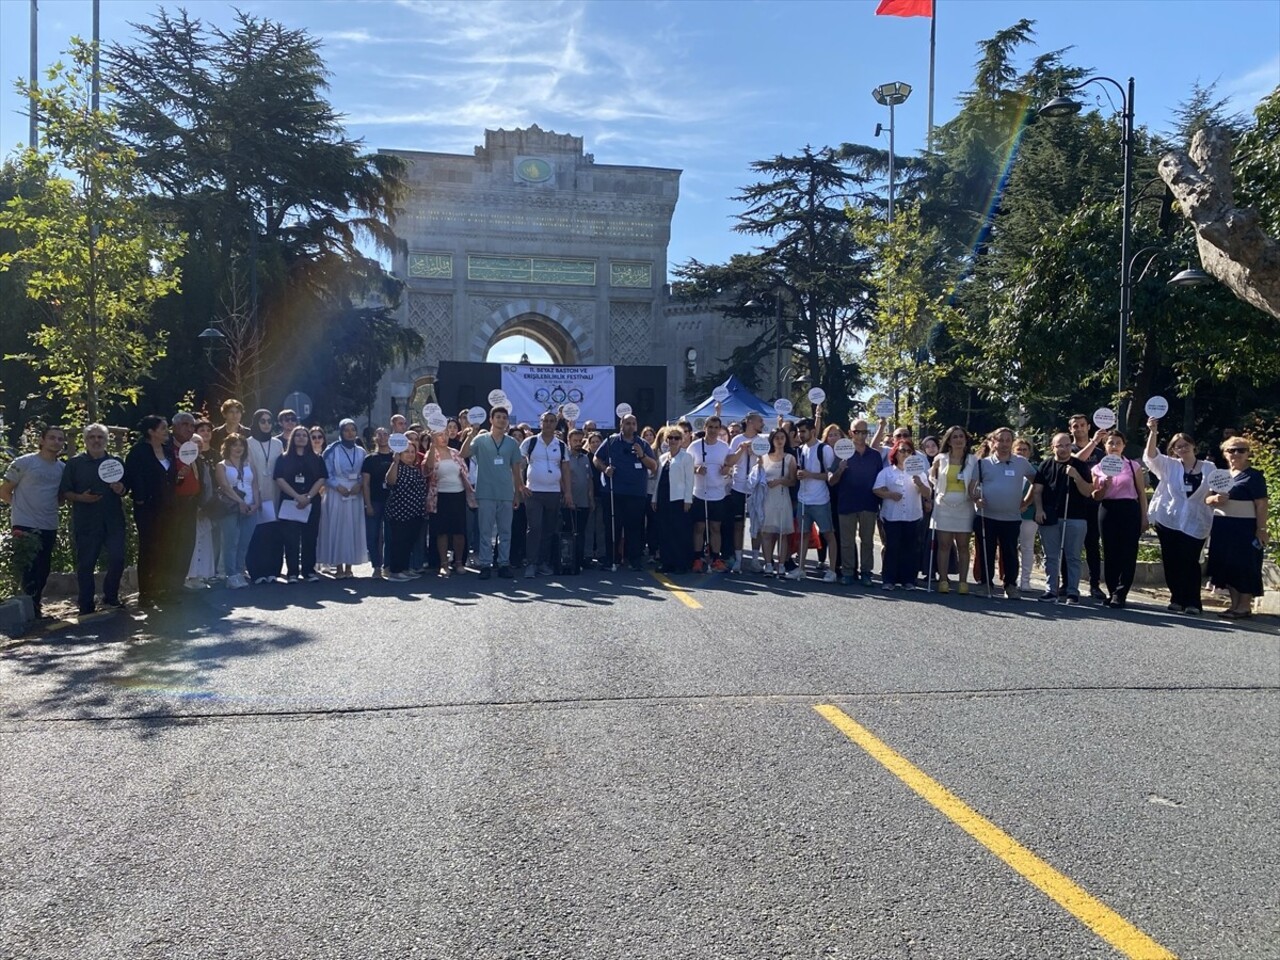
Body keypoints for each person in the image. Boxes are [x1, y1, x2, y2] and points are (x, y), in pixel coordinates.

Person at [1144, 419, 1214, 615]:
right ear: (1173, 450)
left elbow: (1218, 490)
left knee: (1191, 561)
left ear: (1193, 446)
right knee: (1171, 560)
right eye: (1177, 446)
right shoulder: (1169, 465)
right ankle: (1177, 598)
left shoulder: (1209, 468)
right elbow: (1150, 456)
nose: (1182, 448)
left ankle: (1193, 602)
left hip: (1196, 521)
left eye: (1185, 445)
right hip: (1169, 519)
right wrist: (1153, 431)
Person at [58, 423, 127, 615]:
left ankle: (110, 596)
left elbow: (125, 489)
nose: (96, 441)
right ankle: (86, 604)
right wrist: (81, 498)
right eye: (92, 437)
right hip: (86, 522)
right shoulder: (75, 463)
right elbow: (65, 492)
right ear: (85, 440)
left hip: (113, 521)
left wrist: (120, 489)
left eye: (100, 437)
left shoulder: (116, 462)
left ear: (106, 440)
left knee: (118, 558)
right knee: (86, 564)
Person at [1, 425, 66, 618]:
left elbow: (62, 496)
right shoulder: (24, 462)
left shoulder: (63, 468)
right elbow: (4, 490)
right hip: (24, 523)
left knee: (43, 567)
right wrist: (19, 506)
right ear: (42, 440)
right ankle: (29, 607)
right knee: (28, 566)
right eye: (52, 438)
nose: (56, 442)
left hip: (49, 523)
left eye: (60, 439)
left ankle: (35, 604)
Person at [969, 427, 1038, 600]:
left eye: (1008, 440)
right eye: (1001, 440)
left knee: (1010, 553)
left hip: (1012, 517)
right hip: (986, 517)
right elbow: (971, 488)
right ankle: (986, 584)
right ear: (993, 442)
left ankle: (1010, 586)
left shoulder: (1021, 462)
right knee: (987, 552)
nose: (1004, 444)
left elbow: (1036, 482)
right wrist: (976, 499)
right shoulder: (982, 463)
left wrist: (1027, 502)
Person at [1205, 437, 1269, 620]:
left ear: (1248, 453)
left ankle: (1243, 606)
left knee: (1246, 566)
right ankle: (1234, 605)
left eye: (1241, 450)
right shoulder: (1221, 476)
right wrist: (1215, 500)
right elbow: (1207, 500)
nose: (1236, 454)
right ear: (1225, 453)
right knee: (1227, 565)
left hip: (1245, 527)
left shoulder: (1254, 476)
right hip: (1223, 527)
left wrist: (1261, 528)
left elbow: (1262, 504)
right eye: (1231, 450)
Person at [460, 407, 525, 580]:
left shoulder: (511, 442)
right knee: (485, 531)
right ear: (491, 419)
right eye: (498, 417)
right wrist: (470, 434)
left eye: (504, 418)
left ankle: (503, 564)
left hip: (506, 492)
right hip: (486, 492)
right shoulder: (480, 439)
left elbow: (516, 469)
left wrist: (517, 493)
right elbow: (463, 453)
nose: (502, 420)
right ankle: (485, 564)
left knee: (505, 532)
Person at [1032, 434, 1094, 604]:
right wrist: (1039, 510)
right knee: (1050, 556)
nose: (1064, 449)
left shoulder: (1080, 466)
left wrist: (1076, 476)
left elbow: (1088, 491)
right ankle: (1051, 590)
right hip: (1050, 516)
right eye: (1060, 445)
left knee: (1073, 556)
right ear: (1053, 447)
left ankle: (1072, 591)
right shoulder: (1046, 465)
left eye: (1067, 445)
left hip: (1075, 517)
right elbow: (1037, 490)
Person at [123, 416, 177, 608]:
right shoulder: (138, 452)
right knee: (148, 548)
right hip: (147, 508)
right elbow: (130, 477)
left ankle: (163, 589)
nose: (166, 431)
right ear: (151, 431)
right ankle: (146, 592)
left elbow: (170, 478)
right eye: (162, 428)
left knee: (167, 547)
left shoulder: (168, 451)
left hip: (169, 508)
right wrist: (138, 497)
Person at [1090, 431, 1148, 609]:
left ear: (1124, 445)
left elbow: (1141, 493)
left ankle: (1121, 593)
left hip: (1129, 509)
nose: (1114, 446)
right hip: (1108, 509)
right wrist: (1104, 486)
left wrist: (1144, 517)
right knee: (1110, 551)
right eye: (1110, 443)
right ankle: (1112, 590)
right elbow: (1095, 496)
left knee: (1128, 552)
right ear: (1104, 446)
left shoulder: (1132, 466)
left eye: (1117, 443)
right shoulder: (1098, 468)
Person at [594, 413, 657, 571]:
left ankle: (634, 559)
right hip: (614, 491)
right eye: (627, 423)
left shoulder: (642, 443)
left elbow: (653, 466)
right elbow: (596, 458)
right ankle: (612, 558)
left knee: (634, 527)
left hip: (636, 493)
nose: (631, 426)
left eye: (633, 423)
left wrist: (641, 455)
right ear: (621, 425)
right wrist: (605, 469)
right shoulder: (611, 441)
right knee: (613, 526)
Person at [520, 411, 574, 577]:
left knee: (549, 529)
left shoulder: (561, 445)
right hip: (533, 492)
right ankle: (531, 563)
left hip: (554, 493)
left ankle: (543, 563)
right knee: (534, 528)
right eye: (546, 421)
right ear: (540, 422)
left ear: (556, 423)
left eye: (552, 421)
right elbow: (519, 465)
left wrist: (568, 493)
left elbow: (565, 470)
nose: (549, 424)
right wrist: (520, 486)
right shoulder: (530, 442)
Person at [873, 438, 932, 590]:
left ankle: (909, 580)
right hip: (892, 515)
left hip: (912, 515)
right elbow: (876, 489)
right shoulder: (887, 472)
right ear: (895, 453)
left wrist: (919, 483)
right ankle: (889, 580)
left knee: (910, 548)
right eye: (902, 450)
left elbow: (927, 493)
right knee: (892, 547)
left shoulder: (919, 472)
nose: (905, 454)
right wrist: (890, 495)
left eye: (908, 451)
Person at [830, 419, 882, 587]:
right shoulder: (841, 452)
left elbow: (881, 480)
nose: (861, 436)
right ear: (850, 432)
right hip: (847, 503)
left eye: (864, 432)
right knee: (847, 541)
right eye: (857, 432)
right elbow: (831, 481)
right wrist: (840, 469)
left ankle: (866, 573)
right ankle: (847, 573)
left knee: (867, 541)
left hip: (869, 503)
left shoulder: (874, 455)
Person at [788, 417, 839, 583]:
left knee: (828, 534)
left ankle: (832, 570)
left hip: (820, 500)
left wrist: (810, 475)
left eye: (803, 431)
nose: (800, 435)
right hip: (803, 499)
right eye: (799, 431)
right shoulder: (800, 449)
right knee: (803, 534)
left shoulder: (824, 449)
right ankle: (801, 568)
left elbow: (830, 476)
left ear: (812, 431)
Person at [274, 425, 327, 582]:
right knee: (291, 539)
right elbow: (279, 479)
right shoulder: (283, 458)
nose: (302, 438)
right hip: (291, 502)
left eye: (305, 435)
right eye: (298, 435)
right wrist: (297, 496)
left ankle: (309, 571)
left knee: (310, 538)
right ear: (292, 438)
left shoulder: (317, 458)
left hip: (311, 502)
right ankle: (292, 573)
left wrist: (308, 496)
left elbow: (322, 478)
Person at [687, 415, 739, 573]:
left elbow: (730, 465)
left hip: (718, 494)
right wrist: (696, 469)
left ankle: (716, 558)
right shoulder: (695, 446)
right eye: (710, 427)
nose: (713, 431)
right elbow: (686, 466)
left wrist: (726, 469)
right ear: (705, 428)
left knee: (715, 527)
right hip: (699, 492)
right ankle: (697, 558)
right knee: (699, 527)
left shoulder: (724, 447)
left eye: (716, 428)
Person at [928, 426, 976, 594]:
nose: (958, 440)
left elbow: (976, 482)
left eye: (961, 436)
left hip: (965, 506)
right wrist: (933, 470)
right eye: (954, 437)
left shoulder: (973, 460)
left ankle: (963, 582)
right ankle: (943, 580)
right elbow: (933, 480)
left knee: (963, 546)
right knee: (944, 545)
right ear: (948, 440)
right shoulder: (941, 458)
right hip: (944, 507)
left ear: (965, 439)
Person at [319, 419, 367, 579]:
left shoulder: (360, 451)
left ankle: (349, 566)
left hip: (355, 492)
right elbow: (326, 472)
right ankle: (338, 565)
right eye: (346, 430)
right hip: (336, 493)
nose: (350, 433)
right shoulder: (332, 450)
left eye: (353, 429)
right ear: (341, 432)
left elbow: (364, 472)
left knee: (352, 528)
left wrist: (359, 485)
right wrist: (337, 486)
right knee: (337, 527)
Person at [425, 426, 475, 576]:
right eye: (440, 435)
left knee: (459, 531)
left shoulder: (455, 453)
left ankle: (459, 562)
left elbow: (464, 471)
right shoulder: (431, 453)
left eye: (446, 434)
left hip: (458, 495)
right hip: (440, 496)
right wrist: (433, 445)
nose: (444, 437)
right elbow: (427, 467)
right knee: (442, 532)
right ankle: (443, 564)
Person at [1067, 413, 1107, 600]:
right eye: (1075, 426)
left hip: (1094, 504)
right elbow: (1077, 460)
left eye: (1082, 425)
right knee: (1069, 546)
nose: (1079, 428)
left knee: (1092, 545)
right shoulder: (1069, 448)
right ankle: (1066, 583)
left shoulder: (1100, 453)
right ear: (1070, 429)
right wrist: (1095, 441)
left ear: (1088, 426)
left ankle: (1094, 585)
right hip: (1073, 504)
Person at [244, 410, 283, 584]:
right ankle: (257, 572)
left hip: (275, 493)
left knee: (273, 534)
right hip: (256, 492)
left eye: (269, 421)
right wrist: (255, 494)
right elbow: (248, 468)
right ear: (255, 423)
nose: (266, 424)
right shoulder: (248, 443)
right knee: (256, 534)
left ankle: (273, 570)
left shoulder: (277, 444)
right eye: (262, 421)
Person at [214, 436, 258, 588]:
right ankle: (231, 575)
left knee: (244, 542)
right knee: (231, 542)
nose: (238, 448)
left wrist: (256, 504)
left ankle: (240, 571)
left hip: (250, 507)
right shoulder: (222, 465)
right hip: (231, 508)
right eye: (234, 445)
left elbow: (254, 485)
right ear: (228, 447)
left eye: (241, 445)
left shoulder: (249, 464)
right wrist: (240, 502)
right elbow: (225, 487)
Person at [650, 426, 695, 573]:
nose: (673, 441)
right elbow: (658, 480)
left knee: (679, 532)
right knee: (664, 532)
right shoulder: (663, 458)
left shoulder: (686, 457)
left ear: (682, 440)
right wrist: (655, 498)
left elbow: (690, 480)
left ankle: (681, 563)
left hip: (679, 499)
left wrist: (688, 499)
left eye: (677, 438)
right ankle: (666, 562)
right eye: (670, 438)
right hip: (664, 498)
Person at [167, 412, 204, 592]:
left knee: (188, 543)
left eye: (191, 425)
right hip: (174, 504)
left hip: (192, 502)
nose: (189, 429)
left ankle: (179, 583)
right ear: (174, 427)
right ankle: (171, 585)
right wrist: (178, 477)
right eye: (184, 425)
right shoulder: (167, 448)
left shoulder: (192, 447)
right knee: (174, 544)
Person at [383, 435, 427, 582]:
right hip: (399, 512)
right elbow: (390, 481)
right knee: (399, 542)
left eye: (412, 452)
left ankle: (405, 568)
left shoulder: (415, 469)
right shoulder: (397, 467)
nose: (410, 454)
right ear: (400, 454)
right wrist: (395, 462)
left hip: (415, 512)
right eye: (406, 452)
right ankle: (395, 571)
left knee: (409, 542)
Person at [727, 411, 766, 572]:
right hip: (738, 486)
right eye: (760, 421)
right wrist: (741, 450)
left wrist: (757, 455)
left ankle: (756, 559)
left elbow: (766, 463)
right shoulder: (737, 439)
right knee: (738, 524)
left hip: (755, 487)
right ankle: (738, 559)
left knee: (756, 523)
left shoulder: (762, 441)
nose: (762, 424)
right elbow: (729, 461)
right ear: (750, 422)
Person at [754, 427, 796, 576]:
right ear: (772, 440)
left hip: (783, 498)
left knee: (782, 534)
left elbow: (793, 481)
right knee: (766, 533)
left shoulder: (790, 458)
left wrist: (779, 481)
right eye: (776, 438)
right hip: (767, 499)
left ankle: (782, 564)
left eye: (782, 438)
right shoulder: (764, 458)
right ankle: (768, 564)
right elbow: (757, 478)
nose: (779, 440)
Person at [184, 430, 218, 588]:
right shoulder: (182, 462)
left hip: (204, 509)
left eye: (200, 443)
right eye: (194, 443)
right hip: (187, 511)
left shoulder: (202, 463)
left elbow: (208, 487)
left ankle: (201, 575)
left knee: (204, 542)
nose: (198, 446)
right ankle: (189, 577)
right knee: (192, 543)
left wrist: (205, 506)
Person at [361, 428, 393, 578]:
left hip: (392, 501)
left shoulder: (396, 457)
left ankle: (388, 565)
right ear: (375, 438)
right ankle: (376, 566)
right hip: (374, 500)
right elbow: (365, 484)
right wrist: (367, 504)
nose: (383, 437)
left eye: (385, 434)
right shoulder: (369, 459)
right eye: (379, 434)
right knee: (372, 535)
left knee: (390, 535)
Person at [564, 428, 594, 573]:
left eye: (580, 441)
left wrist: (591, 498)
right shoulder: (564, 458)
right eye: (574, 441)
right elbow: (561, 479)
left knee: (582, 531)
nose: (577, 443)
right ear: (569, 441)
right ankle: (569, 559)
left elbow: (589, 480)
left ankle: (581, 559)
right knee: (569, 532)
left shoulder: (585, 457)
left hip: (584, 501)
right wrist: (566, 496)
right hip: (569, 501)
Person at [1012, 437, 1038, 592]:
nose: (1021, 452)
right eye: (1018, 449)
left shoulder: (1034, 469)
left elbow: (1037, 488)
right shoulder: (1008, 466)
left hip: (1028, 514)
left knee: (1027, 547)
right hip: (1009, 514)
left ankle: (1025, 581)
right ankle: (1011, 579)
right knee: (1010, 547)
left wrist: (1026, 504)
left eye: (1025, 449)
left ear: (1030, 452)